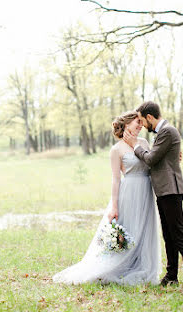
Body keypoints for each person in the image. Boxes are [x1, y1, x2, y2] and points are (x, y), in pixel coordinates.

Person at [52, 111, 161, 285]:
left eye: (141, 123)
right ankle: (118, 267)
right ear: (126, 125)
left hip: (146, 191)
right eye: (137, 123)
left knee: (145, 228)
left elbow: (153, 162)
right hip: (129, 192)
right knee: (130, 228)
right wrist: (114, 206)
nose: (140, 126)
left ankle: (142, 265)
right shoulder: (116, 150)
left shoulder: (143, 142)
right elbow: (116, 179)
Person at [123, 101, 183, 287]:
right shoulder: (163, 132)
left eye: (142, 120)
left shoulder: (167, 131)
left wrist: (134, 145)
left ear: (149, 117)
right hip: (164, 190)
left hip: (171, 190)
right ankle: (171, 275)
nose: (142, 125)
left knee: (178, 235)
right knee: (169, 235)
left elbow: (151, 159)